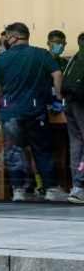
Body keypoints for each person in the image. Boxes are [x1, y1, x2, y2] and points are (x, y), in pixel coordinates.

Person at [0, 22, 63, 202]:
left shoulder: (2, 58)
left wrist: (6, 97)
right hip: (36, 110)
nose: (6, 39)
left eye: (7, 36)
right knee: (42, 150)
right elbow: (57, 74)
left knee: (15, 151)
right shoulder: (41, 54)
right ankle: (51, 189)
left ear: (15, 36)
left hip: (11, 112)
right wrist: (58, 97)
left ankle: (18, 191)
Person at [62, 31, 84, 205]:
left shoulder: (76, 57)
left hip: (69, 102)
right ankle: (80, 186)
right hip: (81, 103)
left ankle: (77, 187)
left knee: (75, 143)